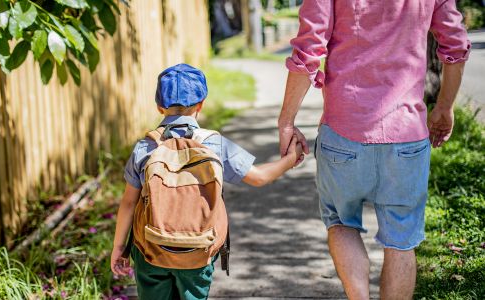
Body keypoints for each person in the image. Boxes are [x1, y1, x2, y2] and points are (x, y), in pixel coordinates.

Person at [278, 1, 469, 299]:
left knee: (341, 223)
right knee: (401, 240)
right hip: (406, 137)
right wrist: (444, 107)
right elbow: (455, 46)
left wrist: (287, 121)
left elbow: (309, 48)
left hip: (343, 134)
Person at [111, 63, 303, 300]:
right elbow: (259, 177)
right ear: (201, 104)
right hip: (198, 251)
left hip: (151, 249)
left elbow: (128, 203)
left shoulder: (145, 147)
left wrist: (119, 248)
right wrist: (291, 158)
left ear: (160, 107)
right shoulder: (214, 144)